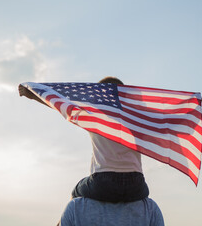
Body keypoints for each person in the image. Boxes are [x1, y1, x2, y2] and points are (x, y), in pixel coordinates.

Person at [18, 77, 149, 203]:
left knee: (75, 192)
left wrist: (34, 95)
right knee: (146, 195)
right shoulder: (136, 119)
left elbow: (61, 105)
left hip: (103, 182)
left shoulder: (95, 116)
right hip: (136, 184)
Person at [59, 197, 164, 226]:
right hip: (135, 181)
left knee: (76, 190)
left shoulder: (75, 207)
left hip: (98, 179)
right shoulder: (151, 209)